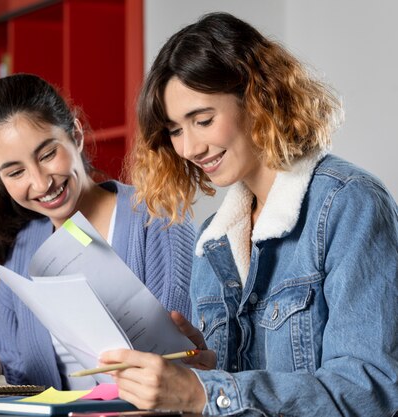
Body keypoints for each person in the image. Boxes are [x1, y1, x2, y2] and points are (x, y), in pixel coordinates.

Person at [99, 12, 398, 416]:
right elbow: (248, 384)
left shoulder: (349, 204)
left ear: (258, 97)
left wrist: (204, 393)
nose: (188, 148)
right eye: (174, 131)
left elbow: (370, 391)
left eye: (203, 120)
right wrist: (202, 369)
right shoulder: (213, 243)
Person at [0, 73, 198, 389]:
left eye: (47, 155)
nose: (41, 183)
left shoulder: (159, 223)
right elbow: (23, 387)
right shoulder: (22, 252)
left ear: (76, 134)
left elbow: (188, 362)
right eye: (16, 172)